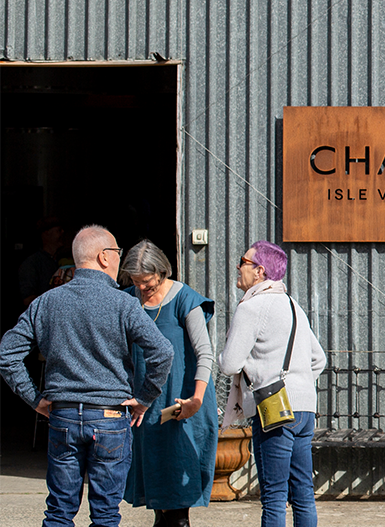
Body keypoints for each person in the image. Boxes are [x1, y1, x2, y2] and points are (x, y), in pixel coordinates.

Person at [0, 225, 174, 527]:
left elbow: (8, 354)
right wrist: (144, 399)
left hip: (63, 416)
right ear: (104, 257)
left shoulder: (46, 302)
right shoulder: (125, 304)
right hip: (110, 418)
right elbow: (163, 353)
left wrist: (35, 399)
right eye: (118, 252)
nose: (120, 259)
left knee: (58, 513)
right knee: (105, 514)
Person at [219, 241, 326, 527]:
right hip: (304, 409)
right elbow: (319, 359)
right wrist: (298, 383)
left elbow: (229, 364)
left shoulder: (252, 307)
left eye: (243, 261)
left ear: (259, 271)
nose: (238, 267)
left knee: (275, 495)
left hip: (274, 410)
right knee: (303, 492)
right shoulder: (293, 306)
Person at [121, 239, 219, 527]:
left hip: (181, 404)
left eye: (147, 282)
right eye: (136, 282)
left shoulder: (184, 300)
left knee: (177, 498)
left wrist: (196, 399)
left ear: (162, 272)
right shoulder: (128, 299)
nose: (142, 288)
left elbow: (204, 353)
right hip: (145, 406)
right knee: (158, 497)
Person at [17, 216, 65, 307]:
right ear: (46, 233)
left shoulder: (63, 261)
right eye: (58, 230)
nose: (63, 233)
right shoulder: (32, 264)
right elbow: (28, 299)